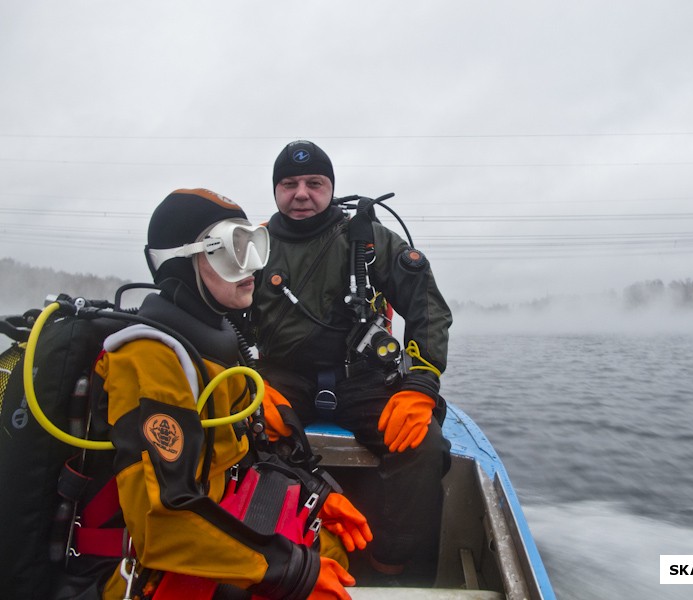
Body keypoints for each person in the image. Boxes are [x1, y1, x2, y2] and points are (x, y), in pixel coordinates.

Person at [93, 188, 370, 599]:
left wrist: (316, 492)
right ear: (180, 261)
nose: (251, 268)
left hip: (219, 507)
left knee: (332, 544)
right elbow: (161, 523)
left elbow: (246, 449)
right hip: (146, 564)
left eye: (252, 247)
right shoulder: (150, 355)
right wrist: (291, 572)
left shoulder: (217, 341)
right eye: (230, 250)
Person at [252, 141, 453, 584]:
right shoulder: (253, 245)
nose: (301, 193)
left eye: (314, 183)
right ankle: (270, 560)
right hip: (282, 378)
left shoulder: (369, 239)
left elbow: (427, 308)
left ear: (330, 188)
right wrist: (242, 384)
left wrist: (420, 385)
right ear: (275, 190)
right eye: (289, 184)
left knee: (425, 446)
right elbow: (219, 311)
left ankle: (391, 571)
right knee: (238, 433)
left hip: (363, 378)